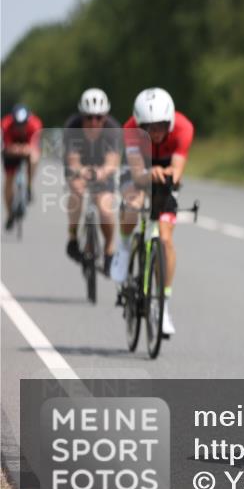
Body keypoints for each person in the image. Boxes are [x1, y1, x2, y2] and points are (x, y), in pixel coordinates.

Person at [111, 88, 194, 338]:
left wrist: (168, 177)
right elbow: (137, 172)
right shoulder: (130, 130)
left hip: (167, 171)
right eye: (149, 127)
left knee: (166, 239)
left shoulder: (183, 128)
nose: (155, 133)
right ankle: (124, 248)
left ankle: (163, 306)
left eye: (160, 126)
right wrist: (148, 175)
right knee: (133, 200)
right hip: (141, 168)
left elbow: (178, 170)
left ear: (169, 122)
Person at [63, 88, 122, 275]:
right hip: (79, 167)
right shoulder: (73, 127)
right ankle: (72, 238)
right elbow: (73, 161)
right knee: (77, 192)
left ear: (105, 116)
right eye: (88, 117)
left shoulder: (112, 129)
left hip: (102, 169)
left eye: (98, 117)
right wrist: (82, 171)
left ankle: (109, 248)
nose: (93, 122)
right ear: (82, 116)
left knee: (105, 207)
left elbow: (112, 163)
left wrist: (99, 173)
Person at [2, 103, 43, 231]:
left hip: (26, 148)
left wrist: (24, 150)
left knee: (34, 157)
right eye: (17, 124)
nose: (20, 127)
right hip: (11, 150)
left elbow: (33, 147)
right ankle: (10, 214)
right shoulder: (5, 124)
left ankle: (29, 186)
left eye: (23, 124)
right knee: (9, 181)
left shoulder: (35, 124)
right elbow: (7, 147)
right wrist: (16, 149)